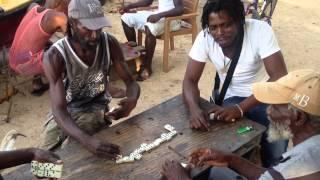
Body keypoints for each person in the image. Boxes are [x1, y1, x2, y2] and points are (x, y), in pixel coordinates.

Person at [182, 0, 288, 167]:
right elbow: (189, 80)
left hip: (268, 97)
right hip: (232, 99)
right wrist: (194, 109)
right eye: (214, 27)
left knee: (276, 154)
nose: (220, 32)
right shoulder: (204, 38)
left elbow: (280, 77)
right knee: (231, 148)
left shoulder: (260, 30)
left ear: (240, 20)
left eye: (226, 25)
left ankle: (273, 168)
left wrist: (241, 109)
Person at [162, 69, 320, 180]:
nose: (269, 112)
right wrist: (231, 159)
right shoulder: (311, 150)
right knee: (217, 172)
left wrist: (180, 178)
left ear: (298, 117)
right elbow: (273, 175)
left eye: (276, 107)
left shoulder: (301, 164)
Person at [40, 0, 140, 160]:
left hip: (95, 110)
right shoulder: (55, 56)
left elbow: (131, 83)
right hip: (64, 113)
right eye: (87, 28)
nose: (95, 35)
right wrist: (87, 141)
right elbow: (59, 110)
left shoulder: (109, 43)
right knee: (44, 161)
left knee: (72, 158)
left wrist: (132, 99)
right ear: (72, 23)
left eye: (98, 28)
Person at [9, 0, 69, 96]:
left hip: (13, 57)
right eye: (69, 5)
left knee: (44, 45)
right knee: (67, 54)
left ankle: (37, 84)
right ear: (58, 3)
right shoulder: (59, 17)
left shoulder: (33, 7)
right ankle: (66, 91)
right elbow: (72, 43)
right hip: (26, 66)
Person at [120, 0, 183, 81]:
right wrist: (129, 6)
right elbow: (148, 2)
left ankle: (147, 66)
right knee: (126, 17)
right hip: (160, 14)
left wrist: (159, 15)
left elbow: (180, 9)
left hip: (172, 20)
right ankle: (136, 55)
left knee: (150, 27)